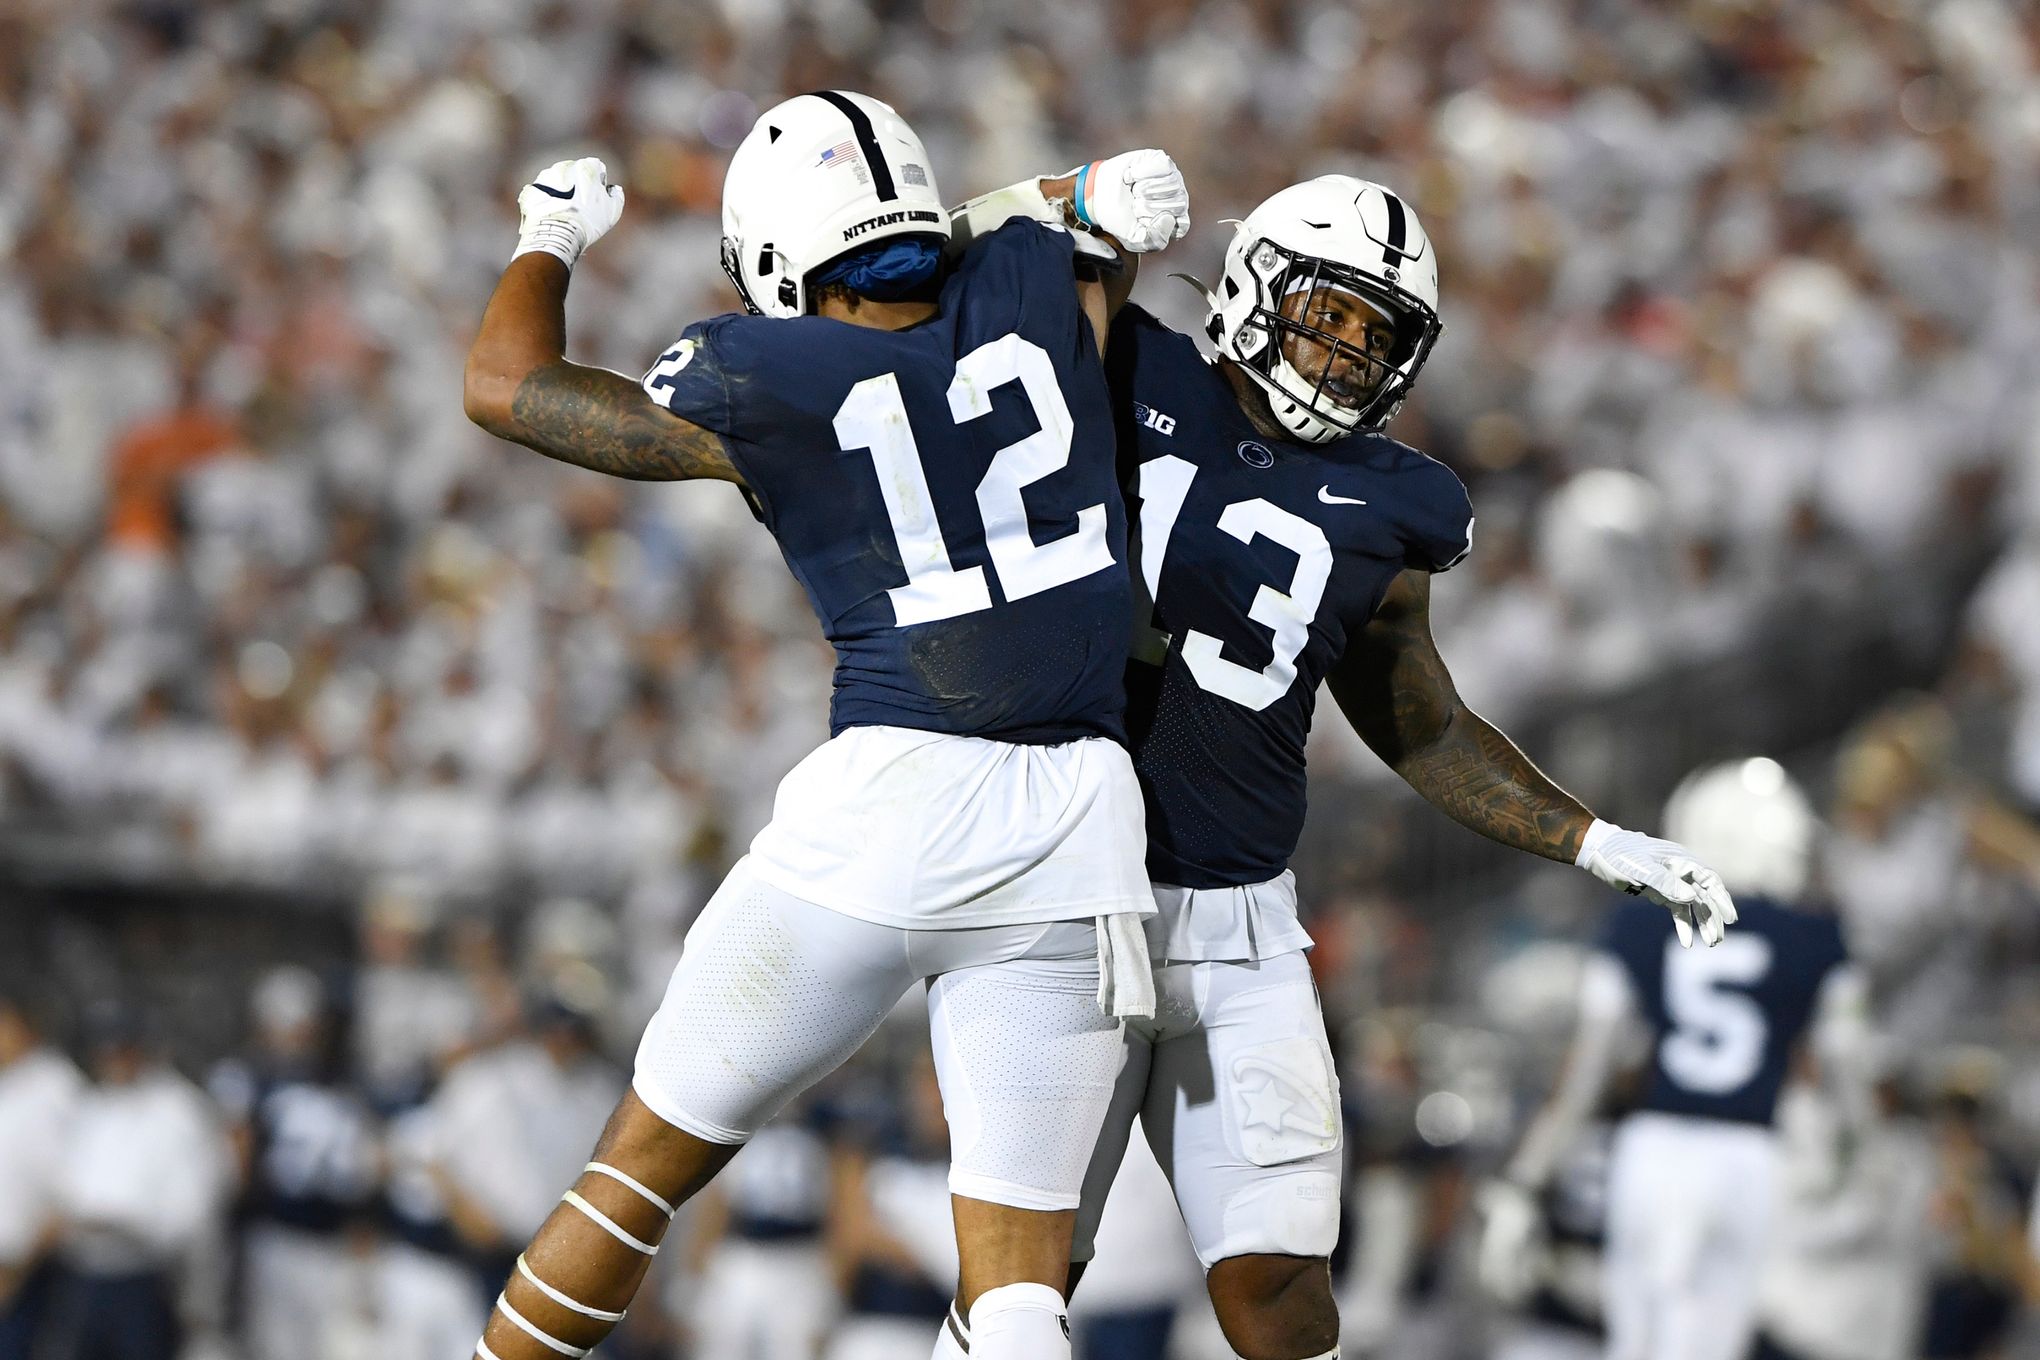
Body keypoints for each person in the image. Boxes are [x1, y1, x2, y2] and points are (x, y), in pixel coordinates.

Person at [932, 174, 1736, 1360]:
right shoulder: (1125, 364)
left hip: (1245, 923)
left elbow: (1418, 719)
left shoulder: (1391, 503)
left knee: (1281, 1300)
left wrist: (1593, 839)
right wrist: (1073, 199)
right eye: (1334, 310)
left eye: (1378, 332)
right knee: (1026, 1293)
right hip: (1066, 895)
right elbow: (944, 274)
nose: (1351, 349)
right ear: (1257, 280)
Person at [459, 89, 1191, 1360]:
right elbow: (1037, 237)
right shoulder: (1036, 275)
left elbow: (504, 383)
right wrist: (1071, 200)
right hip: (1076, 820)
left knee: (638, 1173)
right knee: (1017, 1282)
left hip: (888, 796)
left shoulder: (758, 369)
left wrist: (549, 238)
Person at [1484, 758, 1862, 1360]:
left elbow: (1587, 1077)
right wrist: (1850, 1153)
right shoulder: (1819, 938)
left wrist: (1525, 1181)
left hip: (1656, 1153)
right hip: (1754, 1157)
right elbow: (1849, 1074)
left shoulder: (1637, 926)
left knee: (1638, 1343)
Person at [209, 966, 378, 1360]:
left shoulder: (342, 1081)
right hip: (272, 1238)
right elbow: (235, 1169)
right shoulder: (246, 1078)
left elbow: (362, 1169)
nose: (298, 1033)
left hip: (333, 1243)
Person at [0, 993, 82, 1360]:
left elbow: (70, 1187)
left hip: (34, 1263)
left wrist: (21, 1267)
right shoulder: (9, 1083)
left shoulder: (56, 1086)